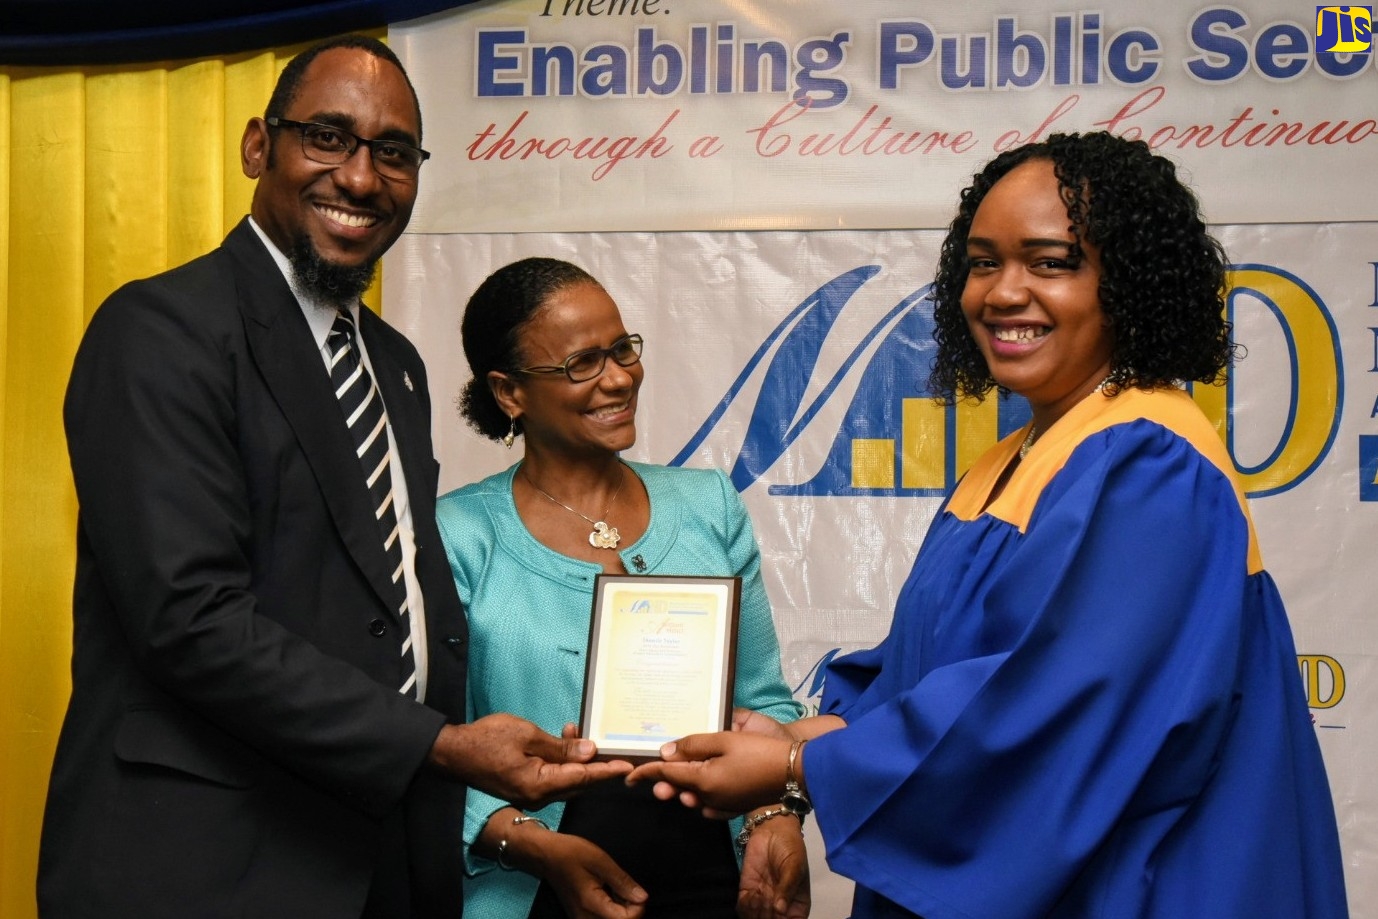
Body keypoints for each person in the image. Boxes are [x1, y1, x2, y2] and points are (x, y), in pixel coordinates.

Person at [629, 132, 1349, 918]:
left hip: (1134, 881)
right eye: (982, 261)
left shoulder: (1149, 460)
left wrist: (803, 769)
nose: (1003, 293)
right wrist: (806, 731)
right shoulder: (1019, 457)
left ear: (1127, 283)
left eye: (1050, 262)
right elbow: (942, 666)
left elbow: (1048, 709)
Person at [38, 36, 628, 919]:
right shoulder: (160, 331)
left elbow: (387, 599)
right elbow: (190, 621)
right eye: (327, 137)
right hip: (209, 863)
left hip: (379, 857)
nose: (360, 178)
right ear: (256, 146)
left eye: (393, 153)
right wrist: (439, 744)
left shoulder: (394, 363)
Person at [435, 257, 810, 919]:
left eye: (622, 349)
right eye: (582, 362)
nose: (618, 377)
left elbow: (760, 698)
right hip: (536, 889)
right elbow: (431, 749)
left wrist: (774, 816)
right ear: (509, 391)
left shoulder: (708, 505)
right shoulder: (457, 532)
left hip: (712, 881)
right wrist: (529, 843)